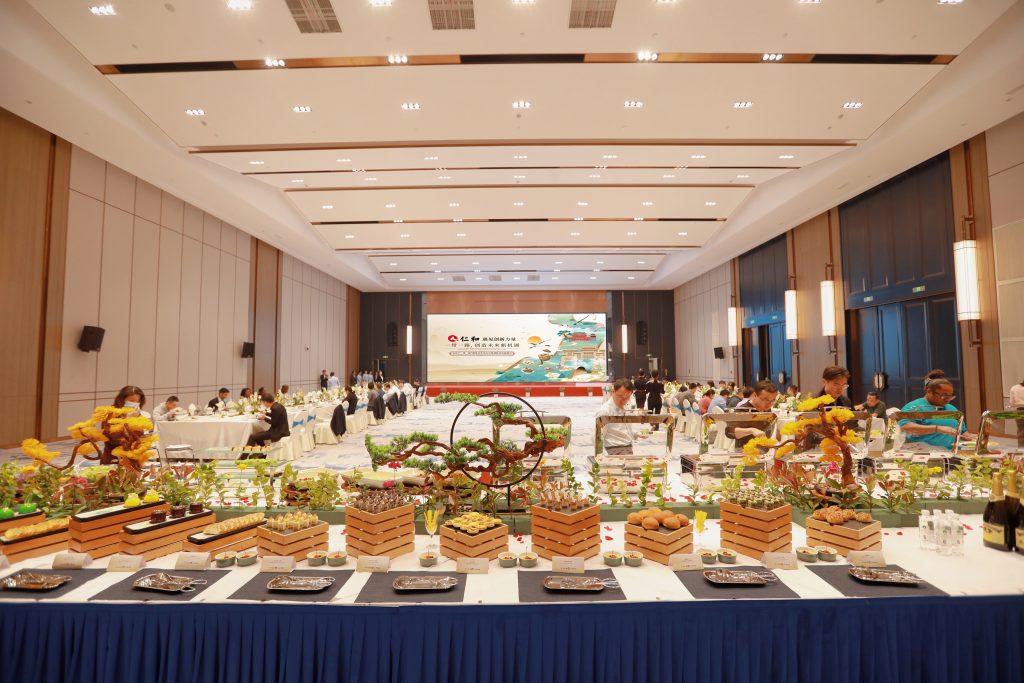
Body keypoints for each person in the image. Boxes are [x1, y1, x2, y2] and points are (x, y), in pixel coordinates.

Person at [898, 378, 975, 451]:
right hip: (924, 454)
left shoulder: (951, 408)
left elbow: (962, 432)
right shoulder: (914, 407)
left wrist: (973, 437)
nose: (948, 400)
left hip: (951, 453)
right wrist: (937, 428)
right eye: (944, 396)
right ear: (929, 391)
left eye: (950, 396)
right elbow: (906, 427)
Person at [101, 386, 147, 464]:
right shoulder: (110, 413)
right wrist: (127, 420)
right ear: (122, 400)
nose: (135, 404)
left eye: (138, 401)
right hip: (113, 458)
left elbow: (139, 434)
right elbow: (111, 437)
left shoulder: (136, 414)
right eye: (131, 401)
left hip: (132, 458)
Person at [725, 380, 780, 446]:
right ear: (754, 395)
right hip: (746, 448)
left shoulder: (766, 408)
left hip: (764, 448)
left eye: (773, 400)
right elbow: (729, 432)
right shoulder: (744, 410)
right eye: (765, 399)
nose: (770, 404)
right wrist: (751, 430)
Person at [597, 378, 635, 455]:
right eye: (620, 396)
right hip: (613, 448)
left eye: (627, 397)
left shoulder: (626, 407)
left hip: (627, 447)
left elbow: (624, 429)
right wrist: (601, 456)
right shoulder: (605, 411)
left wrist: (635, 434)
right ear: (613, 392)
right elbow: (597, 436)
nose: (624, 400)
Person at [1010, 377, 1024, 446]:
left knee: (1021, 431)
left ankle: (1021, 449)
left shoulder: (1014, 388)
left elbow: (1012, 403)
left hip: (1019, 411)